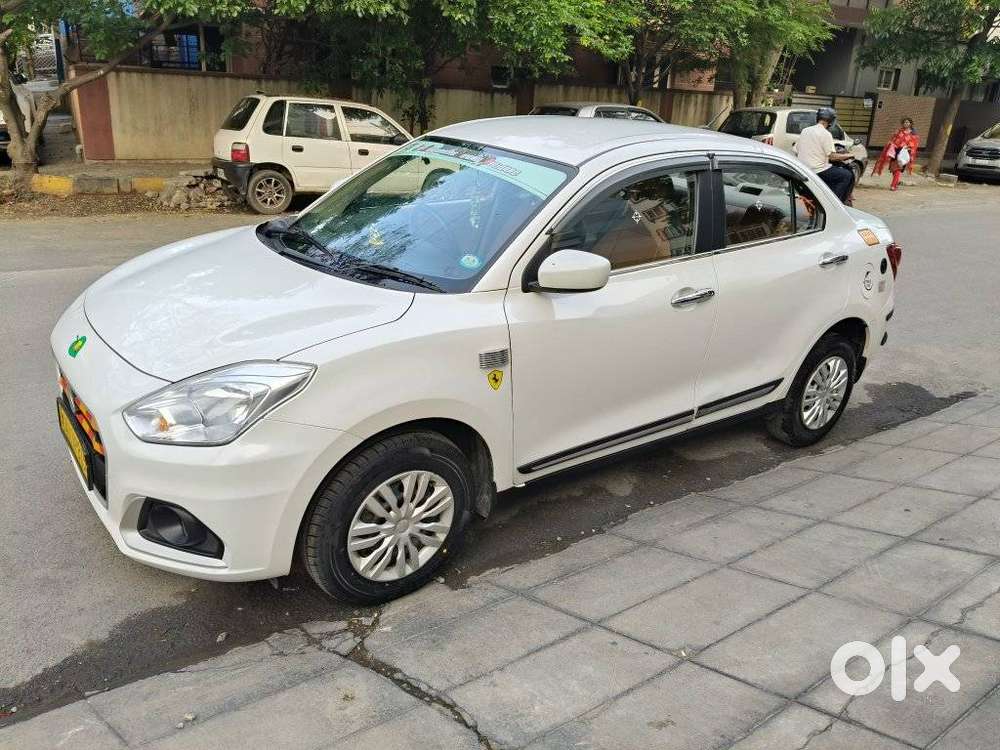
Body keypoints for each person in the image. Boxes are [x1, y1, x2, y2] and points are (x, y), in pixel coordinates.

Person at [794, 107, 856, 203]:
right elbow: (832, 156)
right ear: (831, 121)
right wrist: (849, 155)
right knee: (846, 175)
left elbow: (796, 149)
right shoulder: (825, 133)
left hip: (804, 169)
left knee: (834, 171)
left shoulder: (805, 130)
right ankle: (834, 203)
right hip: (818, 170)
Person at [873, 117, 919, 191]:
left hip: (904, 153)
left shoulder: (913, 134)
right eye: (904, 122)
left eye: (907, 122)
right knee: (893, 169)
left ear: (910, 123)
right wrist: (890, 144)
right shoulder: (898, 131)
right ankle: (895, 183)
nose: (906, 123)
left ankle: (893, 185)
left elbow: (914, 144)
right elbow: (893, 139)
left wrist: (908, 147)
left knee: (898, 169)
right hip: (896, 151)